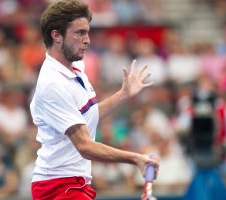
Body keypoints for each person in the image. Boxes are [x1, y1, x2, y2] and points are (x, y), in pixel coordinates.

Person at [29, 0, 159, 200]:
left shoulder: (76, 68)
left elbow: (88, 116)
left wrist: (123, 94)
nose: (87, 40)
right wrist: (135, 158)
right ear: (56, 36)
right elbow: (86, 146)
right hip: (57, 187)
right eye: (79, 33)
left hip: (74, 183)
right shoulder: (53, 84)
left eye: (87, 32)